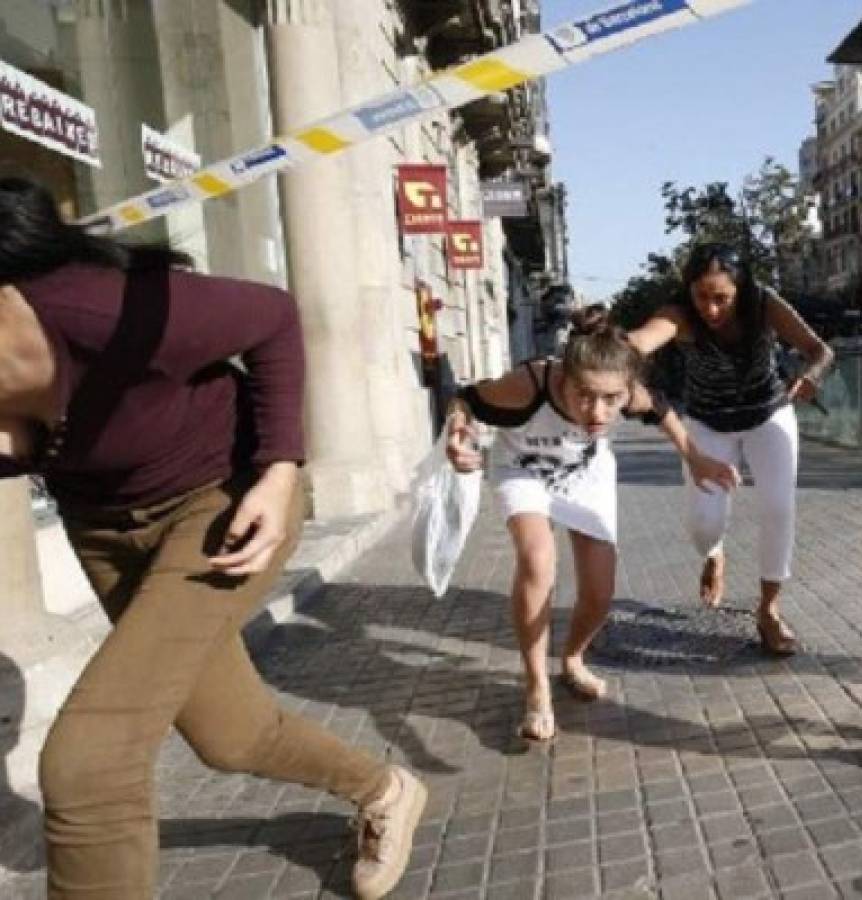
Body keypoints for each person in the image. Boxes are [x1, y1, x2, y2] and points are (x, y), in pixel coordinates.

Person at [0, 176, 421, 900]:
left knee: (86, 762)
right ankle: (385, 789)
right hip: (102, 531)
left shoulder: (99, 310)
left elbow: (274, 318)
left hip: (222, 505)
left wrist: (281, 470)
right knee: (231, 735)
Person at [444, 306, 739, 740]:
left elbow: (661, 410)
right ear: (565, 375)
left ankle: (573, 660)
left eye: (611, 399)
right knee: (538, 561)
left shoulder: (628, 392)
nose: (598, 412)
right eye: (584, 394)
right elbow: (465, 399)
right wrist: (457, 431)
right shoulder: (529, 384)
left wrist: (696, 459)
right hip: (524, 469)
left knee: (600, 592)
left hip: (585, 473)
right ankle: (536, 687)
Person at [628, 242, 834, 655]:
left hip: (768, 415)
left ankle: (769, 611)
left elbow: (820, 350)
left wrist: (812, 373)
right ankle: (713, 553)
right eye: (701, 296)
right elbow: (638, 343)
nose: (711, 309)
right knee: (704, 522)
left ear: (740, 289)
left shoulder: (763, 303)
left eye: (721, 298)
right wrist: (612, 354)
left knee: (779, 508)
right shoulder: (679, 314)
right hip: (708, 422)